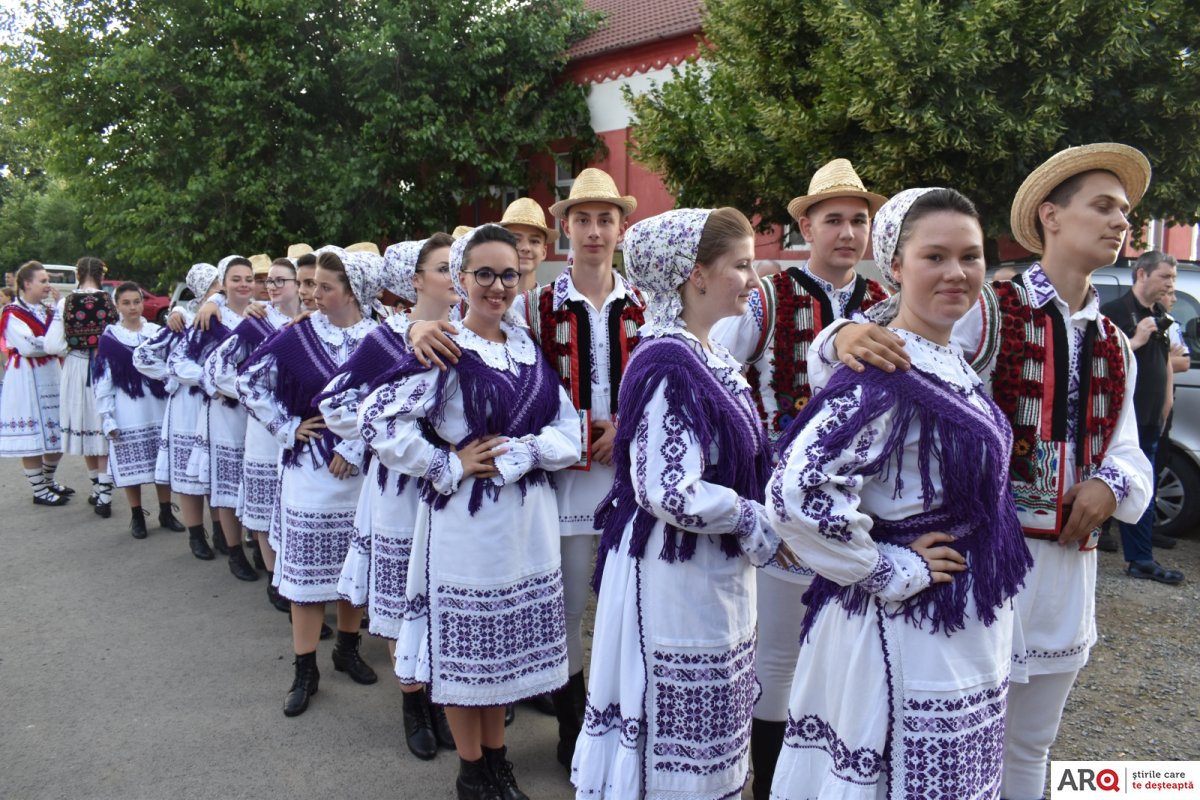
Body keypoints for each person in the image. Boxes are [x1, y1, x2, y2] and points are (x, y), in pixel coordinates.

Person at [819, 143, 1154, 800]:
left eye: (1127, 212)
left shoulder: (1115, 341)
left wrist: (1111, 485)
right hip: (977, 565)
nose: (1122, 223)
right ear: (1051, 216)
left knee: (1031, 745)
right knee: (953, 743)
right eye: (1105, 206)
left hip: (1065, 574)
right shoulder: (989, 304)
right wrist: (837, 338)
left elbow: (1129, 449)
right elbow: (879, 339)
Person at [767, 188, 1033, 799]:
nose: (956, 273)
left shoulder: (949, 359)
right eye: (934, 256)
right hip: (906, 628)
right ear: (894, 267)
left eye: (970, 257)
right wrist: (887, 566)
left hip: (959, 622)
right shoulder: (886, 370)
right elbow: (794, 490)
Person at [409, 169, 647, 757]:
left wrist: (629, 427)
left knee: (624, 608)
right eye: (583, 219)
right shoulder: (533, 305)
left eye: (606, 219)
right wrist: (417, 324)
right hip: (555, 484)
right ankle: (570, 731)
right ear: (566, 229)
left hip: (628, 478)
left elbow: (664, 378)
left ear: (621, 227)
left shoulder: (646, 302)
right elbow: (471, 337)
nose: (595, 231)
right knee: (561, 607)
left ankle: (619, 727)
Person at [572, 208, 790, 800]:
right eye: (741, 264)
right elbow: (667, 488)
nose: (754, 277)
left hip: (708, 574)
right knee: (675, 749)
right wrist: (755, 518)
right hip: (675, 580)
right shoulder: (670, 361)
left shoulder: (704, 353)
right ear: (695, 275)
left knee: (712, 733)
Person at [359, 225, 581, 800]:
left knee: (502, 652)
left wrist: (526, 451)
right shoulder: (445, 345)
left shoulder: (526, 345)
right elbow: (377, 420)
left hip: (528, 525)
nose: (497, 285)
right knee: (467, 654)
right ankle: (471, 772)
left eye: (508, 273)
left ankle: (497, 763)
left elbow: (569, 431)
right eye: (483, 273)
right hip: (467, 524)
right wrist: (447, 464)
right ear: (460, 277)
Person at [709, 157, 888, 798]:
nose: (846, 232)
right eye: (832, 219)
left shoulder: (886, 305)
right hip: (783, 501)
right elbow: (717, 373)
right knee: (778, 659)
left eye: (858, 220)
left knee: (850, 655)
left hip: (865, 508)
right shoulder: (768, 296)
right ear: (805, 228)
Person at [322, 234, 459, 760]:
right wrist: (378, 440)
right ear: (416, 279)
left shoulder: (469, 332)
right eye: (443, 268)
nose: (453, 276)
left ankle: (445, 699)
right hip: (401, 488)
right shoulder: (385, 340)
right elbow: (337, 403)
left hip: (453, 489)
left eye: (457, 267)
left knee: (443, 592)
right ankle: (412, 702)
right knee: (403, 595)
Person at [238, 246, 382, 718]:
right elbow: (247, 382)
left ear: (353, 290)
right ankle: (304, 668)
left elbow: (391, 403)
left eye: (326, 287)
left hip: (359, 473)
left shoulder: (379, 338)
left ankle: (347, 647)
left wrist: (356, 445)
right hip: (309, 473)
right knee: (303, 575)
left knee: (351, 566)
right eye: (311, 285)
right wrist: (286, 427)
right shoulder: (297, 335)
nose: (313, 295)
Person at [207, 257, 301, 604]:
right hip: (264, 427)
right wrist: (259, 394)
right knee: (264, 505)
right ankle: (275, 579)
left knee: (293, 507)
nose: (273, 287)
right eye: (270, 282)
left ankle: (295, 578)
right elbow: (215, 370)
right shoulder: (256, 322)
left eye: (281, 280)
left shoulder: (312, 322)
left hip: (301, 429)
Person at [1100, 251, 1184, 577]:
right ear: (1142, 274)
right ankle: (1133, 556)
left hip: (1152, 416)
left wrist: (1167, 401)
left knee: (1145, 486)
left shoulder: (1160, 313)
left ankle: (1141, 559)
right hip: (1121, 419)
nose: (1169, 284)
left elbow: (1164, 361)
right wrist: (1136, 339)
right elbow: (1102, 360)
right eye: (1166, 276)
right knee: (1114, 482)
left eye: (1173, 279)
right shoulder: (1115, 311)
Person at [134, 263, 222, 559]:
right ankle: (196, 534)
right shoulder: (183, 317)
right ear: (200, 289)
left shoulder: (223, 314)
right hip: (188, 403)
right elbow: (143, 355)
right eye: (213, 285)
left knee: (214, 467)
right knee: (189, 472)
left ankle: (222, 531)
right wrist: (172, 376)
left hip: (216, 401)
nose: (219, 290)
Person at [182, 255, 258, 581]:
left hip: (256, 412)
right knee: (227, 482)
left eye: (248, 278)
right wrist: (213, 383)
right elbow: (180, 362)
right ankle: (234, 551)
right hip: (224, 410)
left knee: (253, 478)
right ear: (223, 283)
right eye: (236, 278)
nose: (243, 284)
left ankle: (256, 540)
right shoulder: (211, 317)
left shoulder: (260, 313)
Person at [93, 282, 186, 538]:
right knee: (132, 463)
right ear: (117, 306)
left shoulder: (157, 332)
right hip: (128, 405)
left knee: (161, 460)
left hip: (157, 404)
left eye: (136, 301)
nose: (133, 307)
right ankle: (137, 515)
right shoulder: (110, 338)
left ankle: (166, 511)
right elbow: (104, 380)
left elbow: (175, 360)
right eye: (126, 303)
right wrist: (107, 416)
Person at [45, 256, 117, 515]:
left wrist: (74, 348)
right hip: (104, 366)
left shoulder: (66, 302)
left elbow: (51, 345)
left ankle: (98, 490)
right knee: (102, 424)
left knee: (86, 426)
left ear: (77, 274)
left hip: (76, 367)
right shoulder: (109, 300)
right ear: (101, 275)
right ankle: (105, 495)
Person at [0, 261, 70, 504]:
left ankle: (48, 481)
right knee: (33, 438)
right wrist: (51, 344)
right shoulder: (12, 312)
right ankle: (39, 490)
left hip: (51, 373)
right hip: (26, 378)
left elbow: (62, 338)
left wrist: (58, 317)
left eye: (47, 280)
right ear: (27, 283)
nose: (47, 285)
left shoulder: (48, 310)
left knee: (57, 432)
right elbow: (28, 347)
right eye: (43, 280)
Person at [498, 196, 552, 292]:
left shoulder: (553, 305)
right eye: (516, 239)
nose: (525, 248)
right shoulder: (483, 303)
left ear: (544, 252)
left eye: (534, 241)